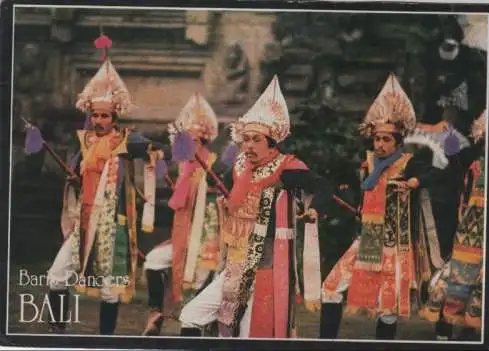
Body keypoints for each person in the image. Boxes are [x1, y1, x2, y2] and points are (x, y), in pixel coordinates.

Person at [178, 75, 337, 338]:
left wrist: (314, 209)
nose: (249, 146)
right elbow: (218, 180)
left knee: (252, 334)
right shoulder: (239, 166)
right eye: (246, 139)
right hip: (234, 262)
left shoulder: (286, 167)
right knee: (191, 316)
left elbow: (323, 187)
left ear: (272, 142)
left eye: (256, 140)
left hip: (265, 265)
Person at [46, 52, 171, 335]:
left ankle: (106, 340)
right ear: (89, 116)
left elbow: (158, 148)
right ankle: (57, 334)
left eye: (105, 115)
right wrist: (73, 179)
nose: (99, 120)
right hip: (84, 224)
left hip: (111, 227)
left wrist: (166, 152)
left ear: (114, 117)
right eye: (95, 115)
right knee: (56, 276)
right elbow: (77, 175)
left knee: (108, 290)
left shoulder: (125, 141)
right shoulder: (85, 142)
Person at [320, 73, 443, 340]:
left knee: (388, 309)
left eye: (387, 140)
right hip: (367, 242)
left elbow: (438, 174)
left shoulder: (409, 163)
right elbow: (354, 191)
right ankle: (324, 343)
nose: (380, 144)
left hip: (395, 247)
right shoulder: (368, 164)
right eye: (377, 139)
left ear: (399, 142)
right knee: (329, 288)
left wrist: (414, 181)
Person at [142, 93, 222, 336]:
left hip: (207, 239)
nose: (192, 146)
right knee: (153, 260)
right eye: (189, 141)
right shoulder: (184, 165)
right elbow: (154, 149)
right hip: (181, 237)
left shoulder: (217, 166)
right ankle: (155, 311)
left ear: (205, 140)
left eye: (197, 141)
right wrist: (155, 156)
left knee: (197, 285)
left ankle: (200, 333)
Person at [420, 111, 486, 341]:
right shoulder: (471, 160)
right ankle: (446, 330)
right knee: (454, 277)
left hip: (481, 231)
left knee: (479, 283)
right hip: (460, 226)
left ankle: (471, 331)